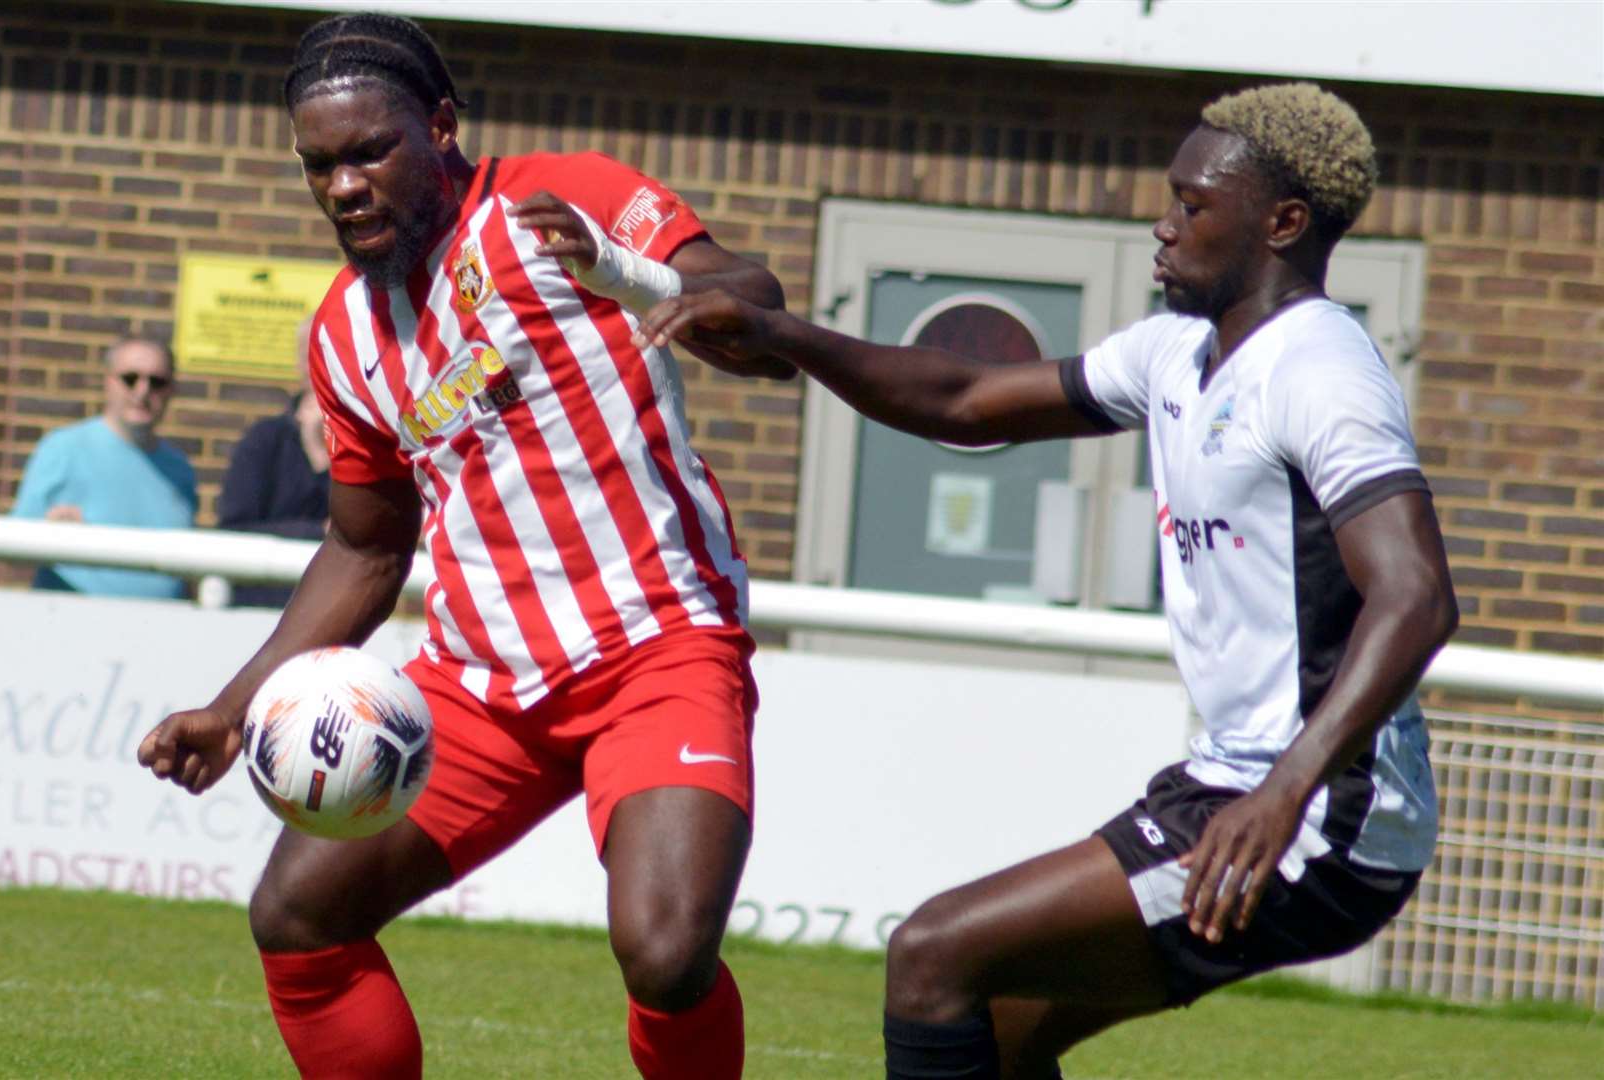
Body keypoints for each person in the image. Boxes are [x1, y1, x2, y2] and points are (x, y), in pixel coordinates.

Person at [635, 82, 1459, 1079]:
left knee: (934, 954)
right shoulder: (1177, 355)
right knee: (998, 1032)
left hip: (1318, 813)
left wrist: (1285, 790)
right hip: (1235, 785)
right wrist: (785, 337)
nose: (1162, 226)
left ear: (1282, 224)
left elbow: (1414, 594)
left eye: (1192, 207)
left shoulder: (1320, 369)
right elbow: (968, 399)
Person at [136, 12, 788, 1079]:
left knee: (666, 954)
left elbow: (755, 304)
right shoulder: (344, 333)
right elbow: (363, 550)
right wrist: (234, 706)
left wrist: (637, 276)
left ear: (439, 125)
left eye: (367, 152)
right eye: (319, 167)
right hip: (481, 687)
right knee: (297, 915)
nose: (343, 186)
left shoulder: (558, 198)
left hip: (659, 649)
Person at [10, 336, 197, 599]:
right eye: (130, 378)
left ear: (171, 389)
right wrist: (47, 533)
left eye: (157, 381)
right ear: (108, 382)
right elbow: (12, 551)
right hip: (71, 623)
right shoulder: (63, 448)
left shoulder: (179, 469)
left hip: (160, 628)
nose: (142, 391)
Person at [216, 316, 331, 608]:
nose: (323, 363)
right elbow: (233, 531)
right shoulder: (263, 441)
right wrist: (316, 533)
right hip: (261, 608)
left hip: (332, 610)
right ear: (298, 365)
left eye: (333, 351)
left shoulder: (370, 443)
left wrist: (320, 457)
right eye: (312, 352)